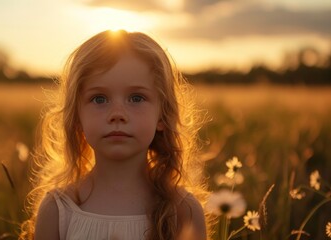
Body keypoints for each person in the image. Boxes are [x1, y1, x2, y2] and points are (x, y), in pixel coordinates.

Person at [20, 30, 209, 240]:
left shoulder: (183, 211)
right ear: (76, 117)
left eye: (136, 98)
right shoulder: (59, 211)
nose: (117, 114)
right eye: (99, 99)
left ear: (162, 116)